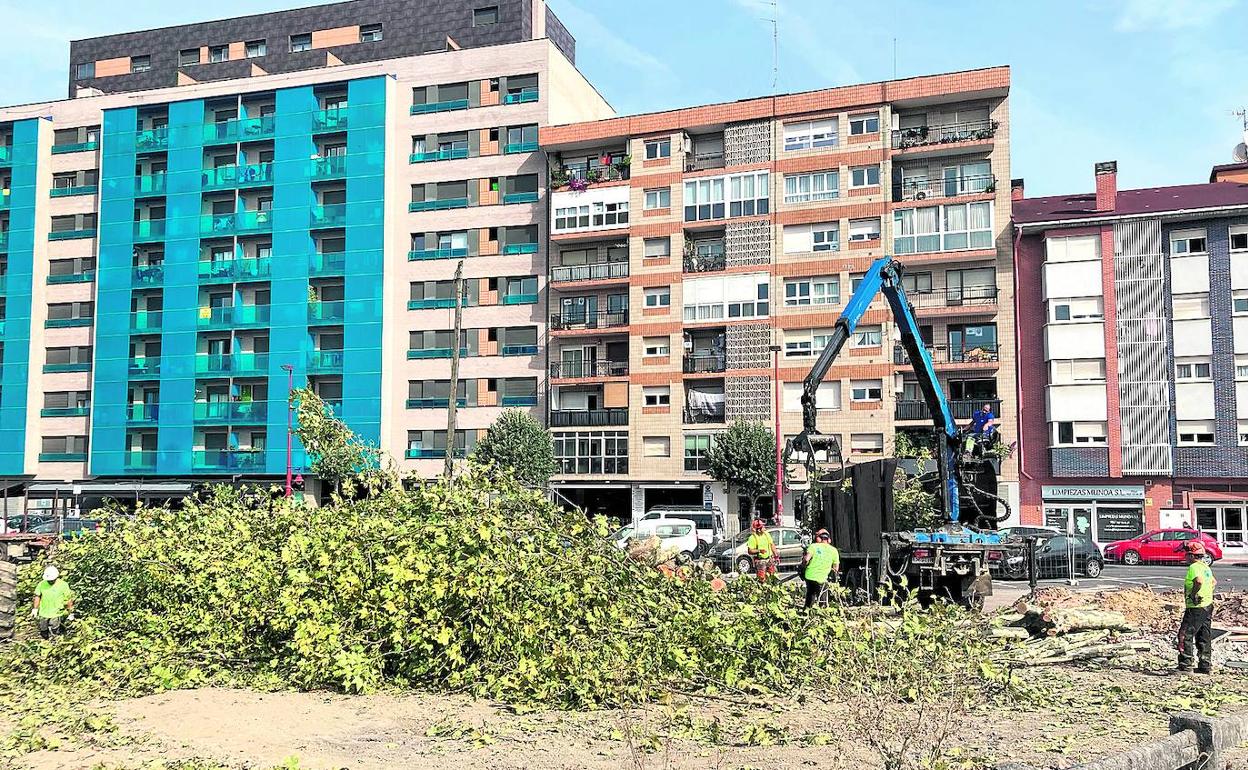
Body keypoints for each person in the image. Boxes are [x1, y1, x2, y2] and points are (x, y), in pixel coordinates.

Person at [1178, 540, 1215, 674]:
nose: (1185, 557)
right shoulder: (1205, 567)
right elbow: (1213, 582)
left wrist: (1194, 594)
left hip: (1196, 607)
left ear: (1192, 556)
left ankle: (1185, 665)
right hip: (1207, 605)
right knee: (1203, 635)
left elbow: (1198, 581)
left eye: (1187, 555)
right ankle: (1205, 665)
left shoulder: (1194, 567)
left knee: (1185, 634)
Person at [32, 565, 74, 641]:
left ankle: (54, 643)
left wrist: (70, 612)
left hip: (56, 613)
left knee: (54, 631)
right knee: (43, 631)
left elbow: (68, 599)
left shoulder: (63, 585)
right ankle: (46, 641)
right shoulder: (42, 584)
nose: (50, 581)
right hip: (43, 613)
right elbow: (37, 596)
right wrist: (35, 609)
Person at [801, 529, 840, 609]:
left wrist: (803, 567)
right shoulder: (834, 550)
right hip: (822, 579)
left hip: (810, 576)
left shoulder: (813, 546)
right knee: (823, 602)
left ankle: (807, 611)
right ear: (829, 539)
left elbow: (806, 559)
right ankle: (822, 613)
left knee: (810, 595)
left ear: (819, 538)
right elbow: (835, 568)